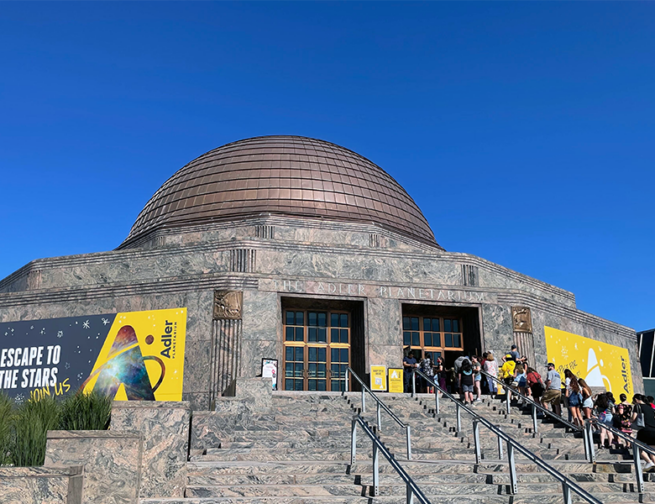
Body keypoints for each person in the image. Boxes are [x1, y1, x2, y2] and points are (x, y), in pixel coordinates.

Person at [632, 395, 655, 471]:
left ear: (636, 399)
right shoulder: (650, 407)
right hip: (653, 429)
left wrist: (629, 422)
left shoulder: (637, 406)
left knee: (637, 446)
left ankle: (649, 462)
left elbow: (633, 418)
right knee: (652, 450)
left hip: (645, 430)